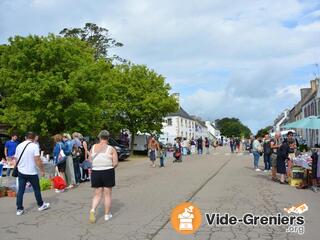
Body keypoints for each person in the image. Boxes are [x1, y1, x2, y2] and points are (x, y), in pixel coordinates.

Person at [14, 132, 50, 216]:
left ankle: (19, 209)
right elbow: (37, 159)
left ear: (25, 137)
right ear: (34, 138)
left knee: (21, 190)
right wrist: (42, 170)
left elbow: (16, 159)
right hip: (31, 171)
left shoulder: (19, 146)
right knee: (36, 189)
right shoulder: (34, 146)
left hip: (21, 171)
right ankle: (40, 205)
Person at [89, 130, 118, 223]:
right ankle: (107, 215)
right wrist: (109, 166)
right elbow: (115, 163)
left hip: (96, 172)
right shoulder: (111, 149)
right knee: (107, 194)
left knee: (97, 193)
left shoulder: (93, 147)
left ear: (99, 137)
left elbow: (90, 160)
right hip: (107, 171)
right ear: (108, 138)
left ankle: (93, 210)